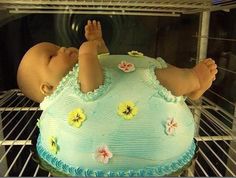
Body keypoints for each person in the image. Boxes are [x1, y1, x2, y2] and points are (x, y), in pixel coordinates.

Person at [17, 20, 217, 103]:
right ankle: (194, 79)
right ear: (48, 87)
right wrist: (87, 53)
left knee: (164, 70)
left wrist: (97, 43)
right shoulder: (70, 92)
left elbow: (106, 60)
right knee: (164, 80)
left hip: (137, 71)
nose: (61, 48)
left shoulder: (81, 68)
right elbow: (92, 88)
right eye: (52, 56)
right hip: (140, 85)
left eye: (56, 45)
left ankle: (192, 89)